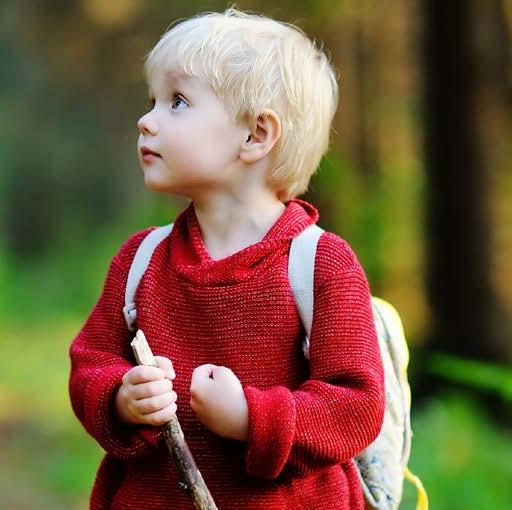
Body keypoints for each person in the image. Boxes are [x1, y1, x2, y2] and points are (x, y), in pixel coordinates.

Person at [68, 8, 384, 509]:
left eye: (177, 101)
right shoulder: (141, 260)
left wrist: (252, 417)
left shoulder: (321, 263)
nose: (146, 121)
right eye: (152, 101)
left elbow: (356, 407)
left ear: (255, 135)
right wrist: (120, 397)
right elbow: (91, 363)